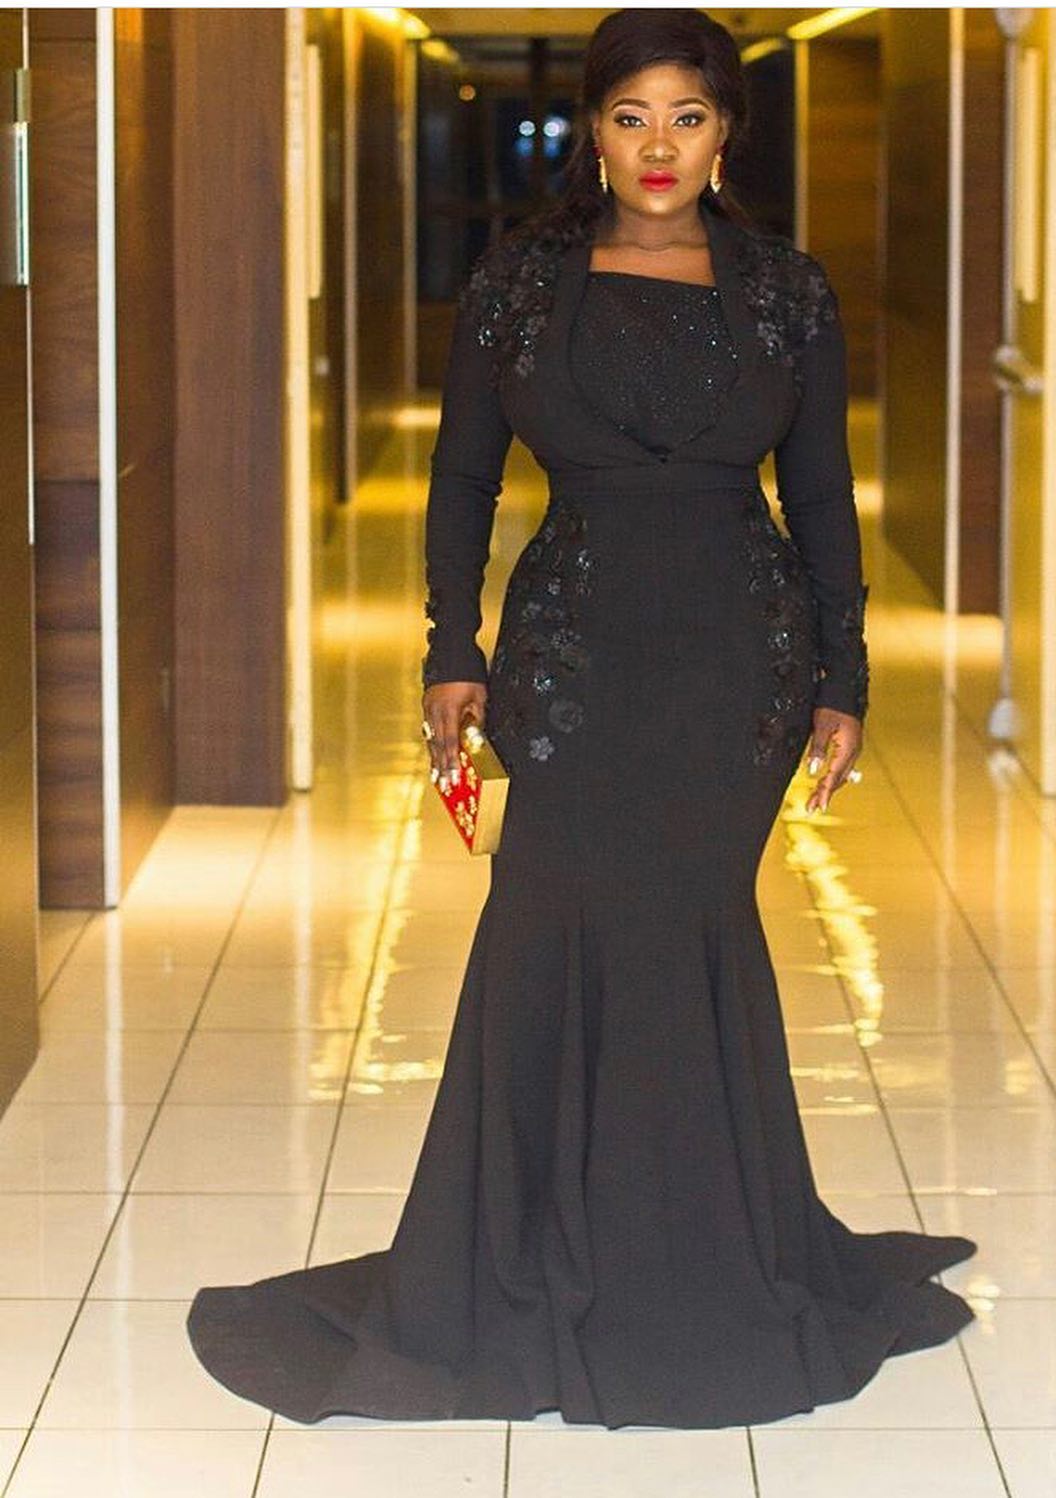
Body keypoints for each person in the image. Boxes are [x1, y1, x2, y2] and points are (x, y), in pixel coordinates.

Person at [187, 7, 978, 1429]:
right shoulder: (519, 282)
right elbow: (464, 479)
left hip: (737, 661)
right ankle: (530, 1253)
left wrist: (843, 675)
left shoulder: (787, 291)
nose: (658, 145)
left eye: (687, 115)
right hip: (569, 658)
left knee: (689, 931)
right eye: (630, 116)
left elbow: (819, 495)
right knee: (547, 926)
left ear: (726, 132)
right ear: (595, 135)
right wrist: (451, 647)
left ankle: (701, 1263)